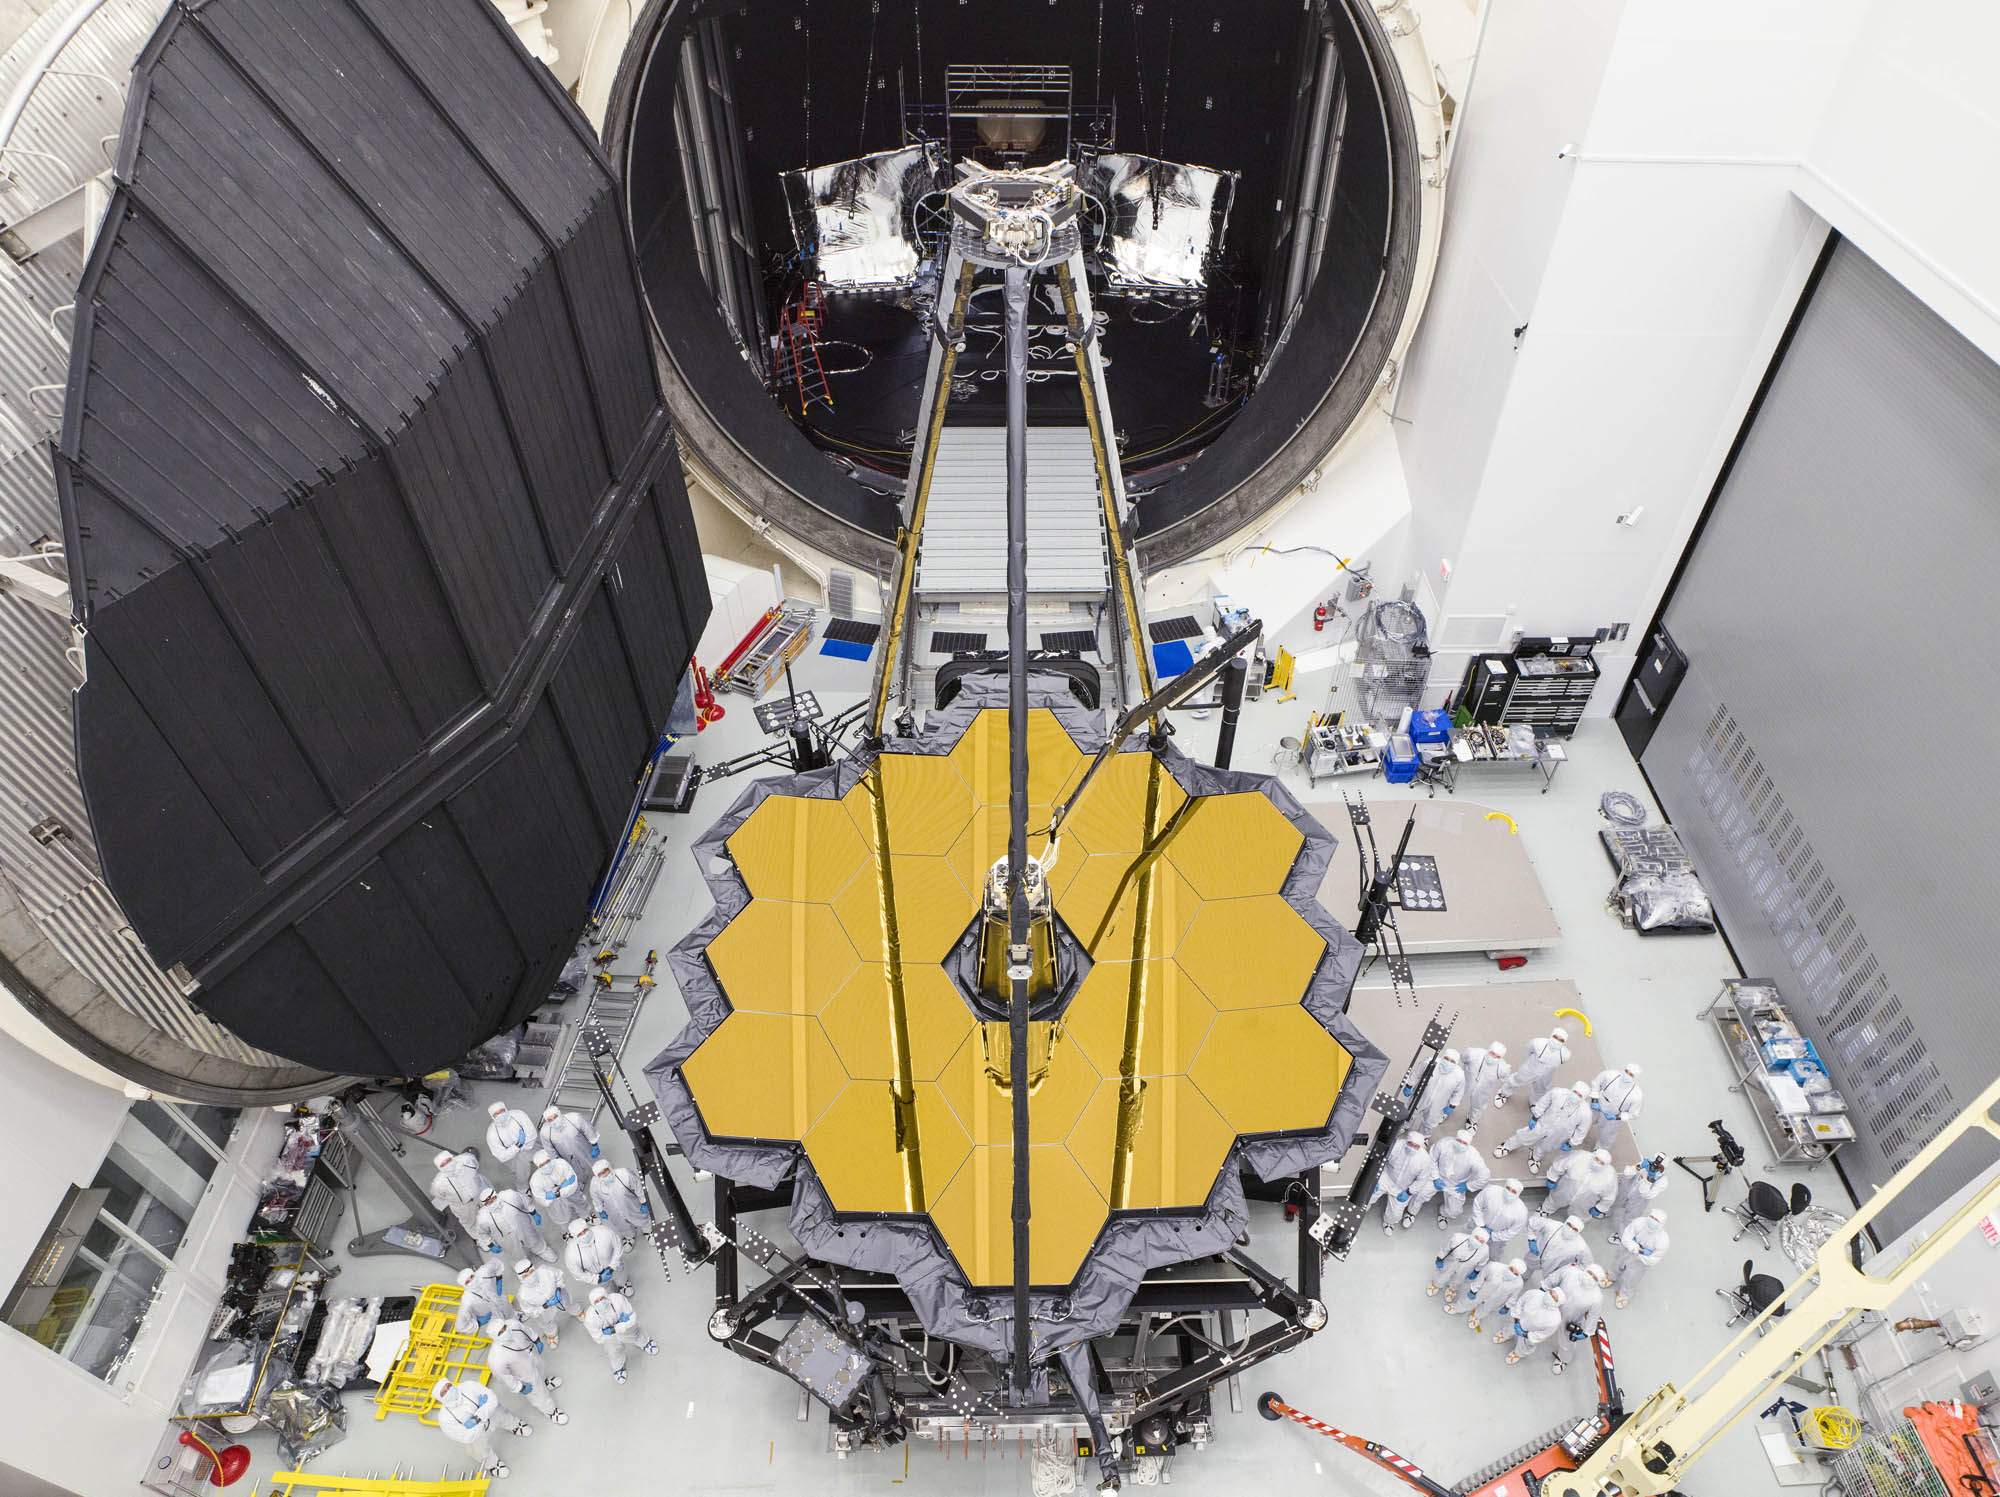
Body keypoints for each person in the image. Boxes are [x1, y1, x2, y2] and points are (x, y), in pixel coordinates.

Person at [432, 1375, 529, 1478]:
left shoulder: (468, 1386)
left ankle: (515, 1425)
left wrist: (476, 1419)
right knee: (479, 1449)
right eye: (444, 1393)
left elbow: (491, 1398)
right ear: (440, 1399)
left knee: (501, 1413)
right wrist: (482, 1409)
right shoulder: (445, 1419)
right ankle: (493, 1464)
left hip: (486, 1419)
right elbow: (466, 1436)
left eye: (448, 1386)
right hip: (477, 1434)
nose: (449, 1391)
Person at [1494, 1080, 1594, 1173]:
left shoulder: (1585, 1113)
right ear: (1572, 1089)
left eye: (1579, 1095)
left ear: (1583, 1098)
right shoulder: (1558, 1093)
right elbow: (1543, 1102)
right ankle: (1507, 1146)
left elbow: (1582, 1131)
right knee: (1525, 1136)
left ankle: (1535, 1157)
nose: (1576, 1096)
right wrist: (1535, 1116)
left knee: (1546, 1147)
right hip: (1543, 1124)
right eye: (1575, 1092)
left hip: (1560, 1134)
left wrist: (1571, 1143)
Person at [486, 1319, 569, 1426]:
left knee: (540, 1370)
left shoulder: (513, 1324)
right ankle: (551, 1411)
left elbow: (526, 1331)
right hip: (524, 1375)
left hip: (531, 1355)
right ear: (495, 1337)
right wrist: (520, 1387)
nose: (505, 1331)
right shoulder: (496, 1358)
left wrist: (536, 1340)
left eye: (504, 1327)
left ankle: (544, 1382)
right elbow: (503, 1377)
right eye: (500, 1332)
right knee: (539, 1395)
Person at [1544, 1262, 1611, 1376]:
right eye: (1589, 1273)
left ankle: (1563, 1360)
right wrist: (1544, 1288)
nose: (1590, 1277)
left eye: (1594, 1278)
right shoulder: (1570, 1272)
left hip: (1570, 1319)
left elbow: (1593, 1315)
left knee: (1567, 1343)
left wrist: (1586, 1332)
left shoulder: (1596, 1297)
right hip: (1551, 1307)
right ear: (1585, 1270)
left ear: (1597, 1282)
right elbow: (1554, 1278)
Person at [1412, 1130, 1490, 1226]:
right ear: (1455, 1138)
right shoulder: (1444, 1143)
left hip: (1456, 1185)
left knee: (1454, 1211)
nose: (1461, 1144)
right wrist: (1435, 1177)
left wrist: (1467, 1186)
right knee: (1420, 1193)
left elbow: (1484, 1176)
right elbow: (1432, 1159)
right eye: (1459, 1141)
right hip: (1438, 1177)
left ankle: (1443, 1213)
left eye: (1464, 1143)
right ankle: (1411, 1213)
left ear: (1469, 1144)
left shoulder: (1473, 1156)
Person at [582, 1285, 658, 1383]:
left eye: (602, 1298)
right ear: (593, 1305)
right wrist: (620, 1326)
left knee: (635, 1333)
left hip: (624, 1329)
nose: (601, 1302)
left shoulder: (618, 1299)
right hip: (609, 1338)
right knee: (614, 1351)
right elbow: (598, 1338)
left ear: (607, 1297)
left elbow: (632, 1318)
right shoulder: (590, 1318)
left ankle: (645, 1342)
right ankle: (618, 1367)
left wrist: (614, 1329)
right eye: (597, 1301)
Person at [1369, 1131, 1434, 1233]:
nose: (1412, 1147)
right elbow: (1382, 1160)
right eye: (1410, 1144)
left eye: (1416, 1146)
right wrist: (1376, 1178)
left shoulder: (1424, 1160)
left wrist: (1409, 1192)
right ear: (1406, 1141)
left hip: (1404, 1187)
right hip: (1387, 1177)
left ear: (1420, 1147)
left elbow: (1422, 1179)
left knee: (1395, 1213)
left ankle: (1389, 1223)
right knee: (1369, 1193)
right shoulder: (1397, 1145)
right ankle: (1362, 1208)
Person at [474, 1186, 553, 1264]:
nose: (492, 1202)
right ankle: (522, 1264)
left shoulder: (510, 1196)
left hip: (523, 1226)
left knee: (532, 1238)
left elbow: (524, 1201)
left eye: (493, 1199)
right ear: (484, 1205)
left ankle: (542, 1250)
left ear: (496, 1195)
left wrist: (534, 1213)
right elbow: (482, 1233)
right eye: (488, 1202)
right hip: (507, 1239)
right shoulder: (483, 1218)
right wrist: (490, 1245)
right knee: (515, 1252)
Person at [514, 1258, 582, 1347]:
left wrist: (558, 1289)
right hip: (544, 1312)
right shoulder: (523, 1295)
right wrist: (545, 1306)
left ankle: (578, 1312)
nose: (530, 1276)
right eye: (525, 1276)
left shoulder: (545, 1271)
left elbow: (558, 1275)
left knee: (569, 1304)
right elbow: (530, 1311)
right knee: (547, 1323)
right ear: (520, 1279)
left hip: (560, 1297)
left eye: (531, 1272)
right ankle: (552, 1335)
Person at [1610, 1209, 1669, 1308]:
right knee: (1617, 1262)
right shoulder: (1639, 1222)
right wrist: (1635, 1248)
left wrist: (1640, 1254)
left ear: (1662, 1224)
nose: (1653, 1220)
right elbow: (1627, 1235)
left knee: (1632, 1277)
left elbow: (1654, 1258)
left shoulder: (1663, 1240)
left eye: (1656, 1220)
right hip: (1627, 1249)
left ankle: (1624, 1295)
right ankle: (1611, 1276)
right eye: (1652, 1217)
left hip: (1641, 1262)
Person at [1497, 1028, 1571, 1107]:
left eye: (1561, 1040)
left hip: (1546, 1076)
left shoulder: (1565, 1054)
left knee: (1540, 1089)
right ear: (1551, 1035)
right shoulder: (1538, 1043)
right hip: (1529, 1069)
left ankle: (1534, 1101)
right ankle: (1503, 1093)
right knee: (1516, 1080)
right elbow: (1530, 1050)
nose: (1557, 1041)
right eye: (1555, 1037)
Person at [589, 1159, 653, 1249]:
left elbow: (638, 1187)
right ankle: (629, 1236)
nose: (605, 1175)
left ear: (610, 1168)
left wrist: (644, 1202)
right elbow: (596, 1198)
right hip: (613, 1210)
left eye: (605, 1171)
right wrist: (600, 1210)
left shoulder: (625, 1175)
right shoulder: (595, 1185)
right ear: (597, 1176)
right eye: (601, 1174)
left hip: (630, 1204)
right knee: (621, 1223)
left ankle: (648, 1231)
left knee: (640, 1217)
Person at [1496, 1284, 1565, 1366]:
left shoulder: (1555, 1319)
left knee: (1525, 1345)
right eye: (1550, 1292)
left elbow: (1543, 1334)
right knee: (1510, 1328)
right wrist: (1517, 1320)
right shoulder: (1534, 1294)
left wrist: (1525, 1334)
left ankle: (1518, 1353)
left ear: (1558, 1304)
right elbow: (1520, 1303)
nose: (1549, 1297)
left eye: (1554, 1298)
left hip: (1530, 1334)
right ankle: (1504, 1334)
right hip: (1518, 1321)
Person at [1543, 1148, 1619, 1221]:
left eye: (1601, 1163)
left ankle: (1574, 1224)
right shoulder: (1579, 1157)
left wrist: (1599, 1208)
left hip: (1584, 1203)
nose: (1597, 1164)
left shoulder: (1610, 1176)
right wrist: (1552, 1177)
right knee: (1554, 1201)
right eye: (1596, 1159)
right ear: (1593, 1155)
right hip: (1564, 1191)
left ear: (1606, 1166)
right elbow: (1560, 1164)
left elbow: (1609, 1196)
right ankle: (1545, 1210)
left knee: (1579, 1217)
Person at [563, 1214, 629, 1296]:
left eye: (585, 1230)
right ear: (574, 1237)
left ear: (588, 1227)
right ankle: (611, 1292)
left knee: (620, 1277)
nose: (584, 1235)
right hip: (597, 1277)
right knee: (607, 1288)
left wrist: (613, 1266)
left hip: (615, 1266)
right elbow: (578, 1274)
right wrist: (597, 1279)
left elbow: (617, 1245)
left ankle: (623, 1285)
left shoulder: (603, 1232)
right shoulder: (571, 1254)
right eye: (580, 1234)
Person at [429, 1149, 491, 1234]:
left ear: (452, 1158)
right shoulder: (439, 1184)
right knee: (471, 1223)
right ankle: (482, 1240)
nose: (448, 1165)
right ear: (440, 1168)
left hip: (480, 1192)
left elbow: (475, 1165)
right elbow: (439, 1195)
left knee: (491, 1209)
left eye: (449, 1160)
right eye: (444, 1164)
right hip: (464, 1206)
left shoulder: (466, 1160)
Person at [1458, 1257, 1526, 1333]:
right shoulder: (1494, 1267)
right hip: (1483, 1291)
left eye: (1516, 1274)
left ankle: (1476, 1316)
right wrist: (1473, 1290)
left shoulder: (1519, 1283)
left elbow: (1513, 1296)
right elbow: (1481, 1277)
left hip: (1496, 1299)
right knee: (1470, 1301)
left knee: (1486, 1309)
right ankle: (1460, 1307)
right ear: (1509, 1265)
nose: (1512, 1273)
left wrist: (1507, 1307)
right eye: (1511, 1269)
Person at [1428, 1225, 1492, 1304]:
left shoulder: (1485, 1250)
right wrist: (1440, 1258)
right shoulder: (1457, 1238)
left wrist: (1476, 1271)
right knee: (1443, 1274)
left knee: (1459, 1279)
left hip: (1466, 1268)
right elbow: (1445, 1248)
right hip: (1451, 1262)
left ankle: (1452, 1289)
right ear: (1472, 1234)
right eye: (1476, 1237)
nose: (1477, 1241)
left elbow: (1483, 1262)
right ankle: (1436, 1284)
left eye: (1481, 1241)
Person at [1407, 1049, 1466, 1136]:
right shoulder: (1430, 1063)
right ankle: (1404, 1126)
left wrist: (1452, 1105)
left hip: (1439, 1104)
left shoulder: (1459, 1075)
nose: (1448, 1062)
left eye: (1452, 1061)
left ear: (1456, 1063)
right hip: (1421, 1096)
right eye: (1446, 1058)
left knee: (1430, 1122)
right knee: (1411, 1112)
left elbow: (1458, 1092)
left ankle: (1423, 1136)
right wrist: (1409, 1085)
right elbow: (1417, 1073)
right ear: (1442, 1057)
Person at [1524, 1214, 1591, 1288]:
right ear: (1565, 1223)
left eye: (1575, 1229)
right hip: (1537, 1254)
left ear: (1578, 1232)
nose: (1570, 1229)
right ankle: (1525, 1276)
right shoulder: (1552, 1226)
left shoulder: (1580, 1246)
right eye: (1569, 1225)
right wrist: (1531, 1239)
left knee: (1549, 1284)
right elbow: (1532, 1222)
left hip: (1555, 1267)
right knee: (1529, 1267)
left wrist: (1572, 1269)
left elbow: (1587, 1264)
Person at [529, 1149, 589, 1230]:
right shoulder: (535, 1180)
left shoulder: (561, 1164)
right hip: (555, 1203)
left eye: (547, 1161)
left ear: (550, 1159)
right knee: (561, 1217)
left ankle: (587, 1216)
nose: (546, 1166)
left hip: (571, 1193)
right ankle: (566, 1230)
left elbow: (573, 1181)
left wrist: (556, 1193)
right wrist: (562, 1188)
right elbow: (540, 1198)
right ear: (538, 1167)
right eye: (542, 1165)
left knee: (580, 1205)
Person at [1590, 1064, 1645, 1151]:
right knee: (1587, 1119)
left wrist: (1616, 1117)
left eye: (1631, 1074)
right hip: (1598, 1105)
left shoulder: (1637, 1095)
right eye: (1626, 1071)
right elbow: (1596, 1083)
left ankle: (1599, 1150)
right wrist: (1594, 1100)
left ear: (1635, 1078)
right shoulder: (1610, 1075)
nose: (1627, 1075)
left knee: (1606, 1135)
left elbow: (1633, 1114)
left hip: (1613, 1117)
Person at [486, 1102, 540, 1190]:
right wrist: (517, 1146)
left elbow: (532, 1135)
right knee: (521, 1172)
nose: (500, 1115)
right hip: (513, 1157)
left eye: (502, 1111)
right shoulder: (491, 1134)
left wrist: (514, 1149)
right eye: (496, 1114)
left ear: (506, 1110)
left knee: (545, 1155)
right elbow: (501, 1156)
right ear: (492, 1117)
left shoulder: (519, 1115)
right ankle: (523, 1188)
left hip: (531, 1145)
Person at [1470, 1177, 1530, 1254]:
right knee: (1469, 1242)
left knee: (1492, 1253)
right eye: (1508, 1188)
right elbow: (1477, 1204)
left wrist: (1494, 1236)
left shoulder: (1521, 1212)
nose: (1509, 1192)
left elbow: (1512, 1231)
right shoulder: (1491, 1191)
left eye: (1513, 1191)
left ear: (1518, 1194)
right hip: (1476, 1224)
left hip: (1497, 1238)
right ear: (1504, 1186)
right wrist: (1480, 1224)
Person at [540, 1106, 601, 1184]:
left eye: (555, 1117)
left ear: (559, 1114)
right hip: (568, 1158)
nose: (554, 1121)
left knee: (595, 1166)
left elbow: (588, 1130)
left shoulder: (575, 1119)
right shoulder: (545, 1132)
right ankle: (583, 1181)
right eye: (550, 1120)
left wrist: (594, 1144)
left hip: (584, 1149)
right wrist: (558, 1162)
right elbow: (549, 1150)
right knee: (577, 1173)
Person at [1609, 1155, 1669, 1233]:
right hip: (1626, 1190)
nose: (1655, 1167)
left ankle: (1622, 1235)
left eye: (1660, 1167)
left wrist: (1649, 1180)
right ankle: (1607, 1211)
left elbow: (1646, 1195)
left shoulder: (1662, 1182)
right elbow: (1626, 1174)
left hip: (1638, 1201)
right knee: (1616, 1201)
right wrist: (1638, 1167)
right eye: (1654, 1163)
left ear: (1664, 1168)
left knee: (1630, 1218)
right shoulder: (1646, 1165)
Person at [1460, 1042, 1510, 1128]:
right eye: (1492, 1053)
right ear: (1488, 1050)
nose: (1493, 1057)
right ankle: (1444, 1112)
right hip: (1466, 1081)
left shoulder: (1502, 1068)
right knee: (1456, 1095)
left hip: (1483, 1090)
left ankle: (1472, 1121)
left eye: (1497, 1056)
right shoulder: (1473, 1054)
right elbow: (1463, 1058)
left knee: (1478, 1105)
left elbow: (1504, 1078)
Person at [455, 1261, 510, 1336]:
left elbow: (497, 1263)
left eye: (471, 1276)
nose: (472, 1281)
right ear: (464, 1286)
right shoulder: (467, 1300)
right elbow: (459, 1326)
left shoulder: (483, 1273)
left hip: (501, 1300)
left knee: (510, 1314)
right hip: (491, 1316)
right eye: (467, 1282)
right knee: (501, 1333)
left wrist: (499, 1278)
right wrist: (478, 1323)